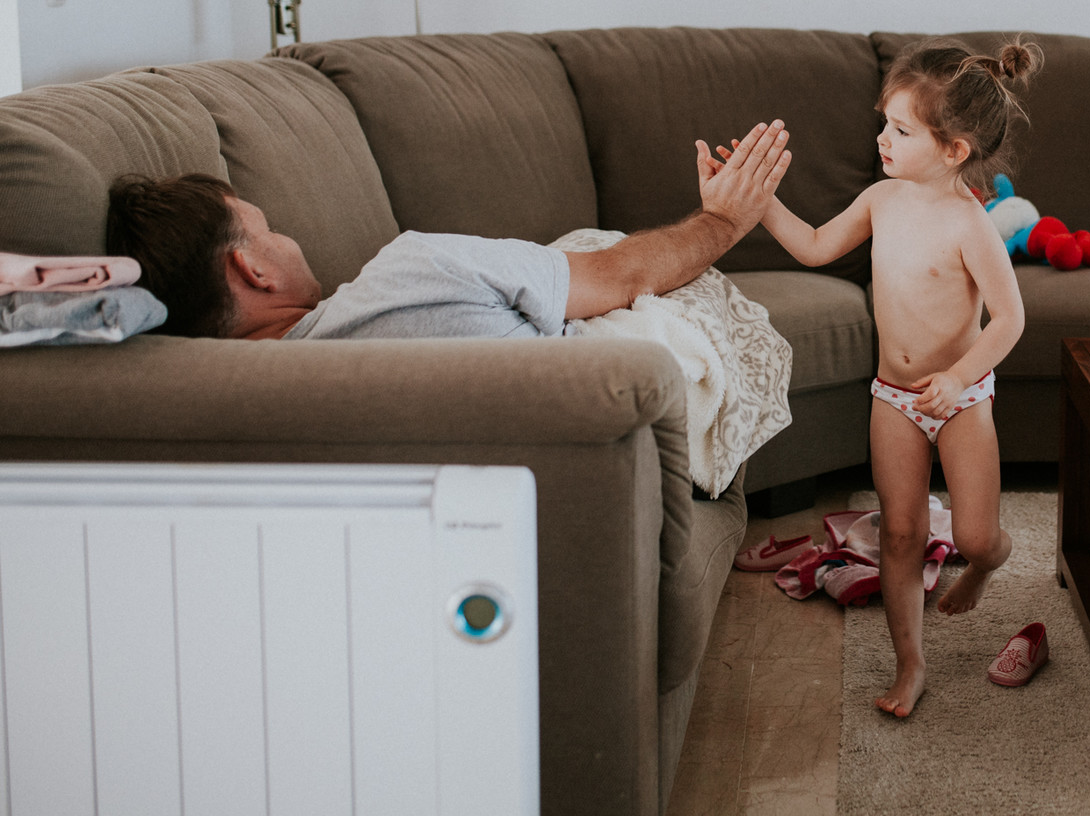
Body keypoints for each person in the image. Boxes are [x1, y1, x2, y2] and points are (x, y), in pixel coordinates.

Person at [733, 37, 1039, 719]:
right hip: (893, 400)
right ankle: (912, 662)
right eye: (886, 124)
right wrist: (758, 201)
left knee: (974, 537)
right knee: (899, 534)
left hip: (962, 401)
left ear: (954, 150)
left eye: (900, 130)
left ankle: (988, 563)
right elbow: (814, 246)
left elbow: (1010, 319)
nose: (883, 138)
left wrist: (960, 379)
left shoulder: (972, 225)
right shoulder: (881, 199)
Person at [105, 120, 792, 342]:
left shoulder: (227, 403)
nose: (289, 238)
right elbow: (620, 276)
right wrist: (725, 217)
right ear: (252, 270)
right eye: (269, 230)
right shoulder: (415, 269)